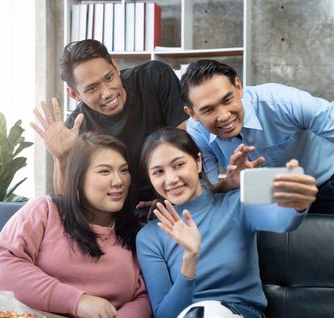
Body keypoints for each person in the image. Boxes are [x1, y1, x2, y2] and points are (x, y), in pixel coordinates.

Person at [180, 59, 334, 242]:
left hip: (319, 182)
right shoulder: (195, 132)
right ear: (193, 113)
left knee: (323, 249)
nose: (224, 116)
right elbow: (204, 194)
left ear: (238, 87)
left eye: (227, 100)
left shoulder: (282, 101)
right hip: (257, 190)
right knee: (273, 258)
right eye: (208, 110)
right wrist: (231, 183)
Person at [136, 127, 317, 318]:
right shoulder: (149, 237)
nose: (171, 179)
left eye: (179, 165)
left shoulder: (237, 203)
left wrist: (297, 203)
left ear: (198, 162)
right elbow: (165, 315)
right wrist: (190, 259)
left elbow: (284, 220)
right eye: (158, 172)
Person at [0, 133, 152, 318]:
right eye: (104, 171)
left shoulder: (139, 234)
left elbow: (144, 298)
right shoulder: (45, 210)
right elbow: (2, 269)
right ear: (79, 178)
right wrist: (77, 301)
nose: (118, 181)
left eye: (124, 170)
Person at [31, 39, 188, 217]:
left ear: (115, 66)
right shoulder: (76, 127)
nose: (107, 93)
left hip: (174, 198)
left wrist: (167, 198)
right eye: (92, 88)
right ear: (74, 94)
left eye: (109, 77)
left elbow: (184, 148)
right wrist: (61, 157)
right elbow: (68, 202)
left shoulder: (154, 77)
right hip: (118, 216)